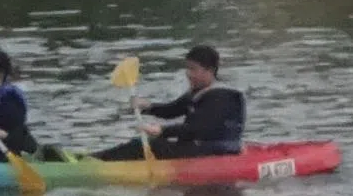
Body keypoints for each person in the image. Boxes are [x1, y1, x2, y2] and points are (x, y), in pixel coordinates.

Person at [95, 44, 243, 161]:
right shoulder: (199, 91)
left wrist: (162, 131)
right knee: (143, 142)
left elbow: (198, 128)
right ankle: (95, 159)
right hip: (197, 149)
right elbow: (172, 110)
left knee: (143, 145)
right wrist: (147, 107)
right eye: (187, 68)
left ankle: (94, 161)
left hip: (215, 152)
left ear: (209, 70)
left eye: (193, 69)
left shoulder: (223, 96)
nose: (188, 74)